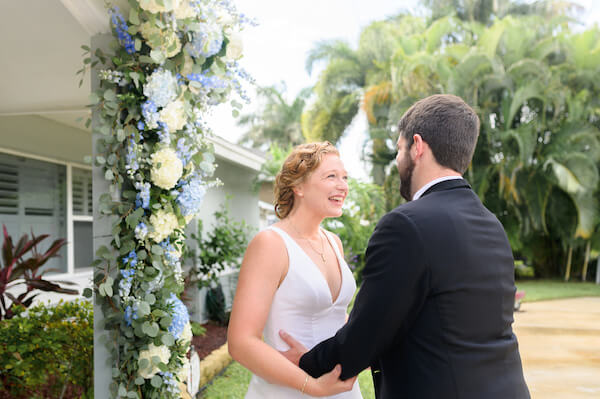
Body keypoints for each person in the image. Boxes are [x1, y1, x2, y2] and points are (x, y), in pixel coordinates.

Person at [280, 94, 531, 399]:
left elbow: (368, 332)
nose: (398, 161)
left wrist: (306, 363)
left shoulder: (405, 225)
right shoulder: (491, 224)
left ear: (417, 146)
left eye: (399, 150)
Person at [228, 142, 363, 398]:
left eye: (344, 177)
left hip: (342, 389)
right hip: (290, 390)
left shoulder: (334, 242)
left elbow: (334, 318)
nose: (343, 186)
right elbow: (241, 342)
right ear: (298, 186)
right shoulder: (270, 244)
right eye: (331, 176)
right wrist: (313, 387)